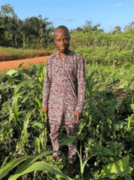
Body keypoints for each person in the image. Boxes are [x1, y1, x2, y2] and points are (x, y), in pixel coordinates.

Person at [41, 25, 86, 173]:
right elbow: (47, 81)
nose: (62, 43)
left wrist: (79, 108)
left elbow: (82, 84)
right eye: (59, 40)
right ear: (54, 41)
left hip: (71, 106)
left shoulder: (77, 59)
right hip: (54, 105)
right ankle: (56, 153)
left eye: (65, 39)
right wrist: (44, 103)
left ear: (69, 39)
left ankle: (71, 161)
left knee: (72, 134)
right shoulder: (51, 59)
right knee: (53, 132)